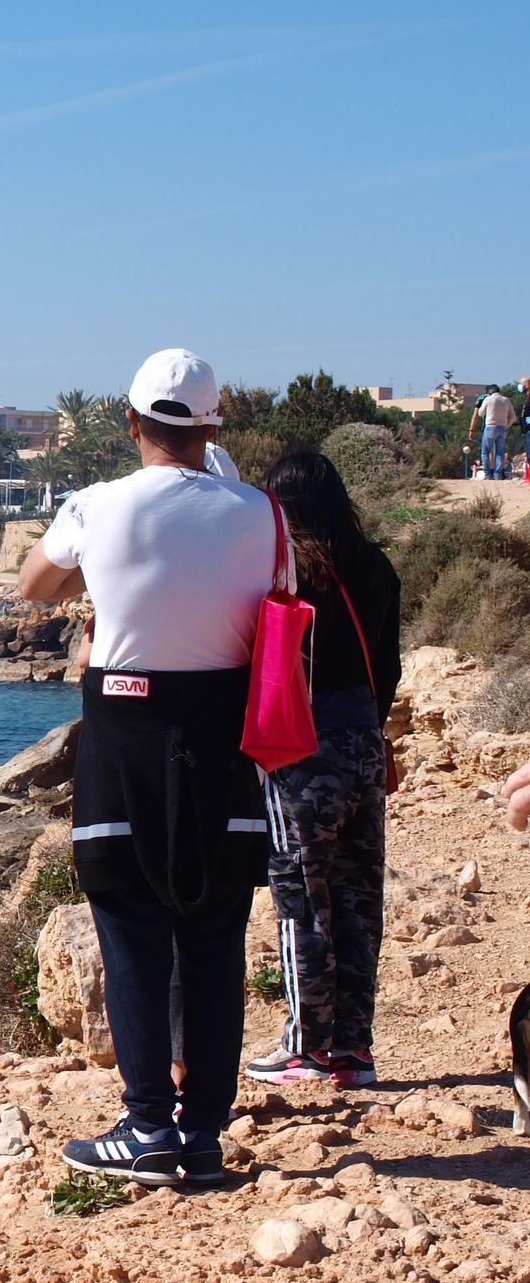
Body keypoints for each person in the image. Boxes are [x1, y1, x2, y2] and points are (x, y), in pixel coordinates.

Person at [18, 347, 280, 1187]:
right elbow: (279, 608)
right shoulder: (262, 511)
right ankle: (200, 1132)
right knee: (213, 937)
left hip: (125, 732)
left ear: (130, 423)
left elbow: (36, 586)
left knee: (130, 932)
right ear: (211, 428)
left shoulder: (94, 506)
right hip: (226, 738)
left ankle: (143, 1126)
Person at [244, 453, 400, 1088]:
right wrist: (371, 728)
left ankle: (305, 1045)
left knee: (303, 897)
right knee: (360, 896)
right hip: (365, 741)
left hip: (302, 749)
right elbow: (386, 668)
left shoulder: (287, 573)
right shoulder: (377, 567)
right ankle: (353, 1050)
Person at [470, 384, 518, 481]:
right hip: (502, 427)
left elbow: (480, 413)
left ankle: (488, 475)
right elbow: (513, 416)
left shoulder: (488, 399)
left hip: (490, 427)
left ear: (489, 392)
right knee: (500, 452)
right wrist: (507, 424)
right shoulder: (506, 400)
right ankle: (498, 475)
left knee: (485, 452)